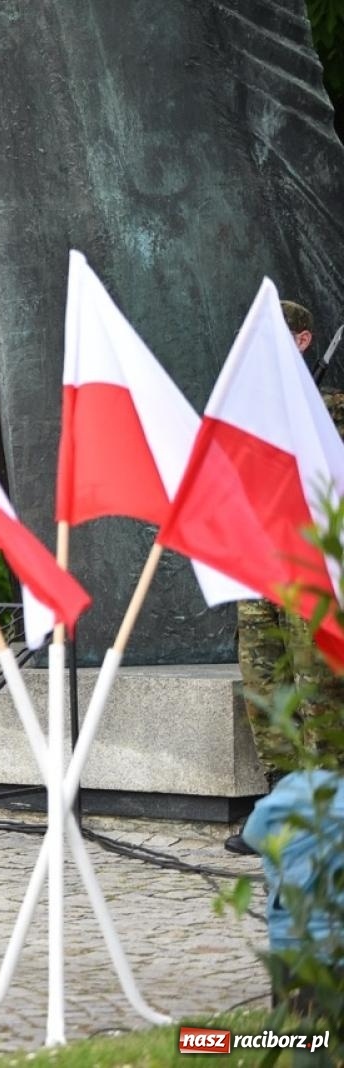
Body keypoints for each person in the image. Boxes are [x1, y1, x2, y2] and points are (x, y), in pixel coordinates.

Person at [229, 300, 344, 852]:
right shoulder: (248, 411)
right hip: (261, 562)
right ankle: (280, 805)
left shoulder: (332, 409)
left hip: (311, 564)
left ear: (302, 340)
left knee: (317, 685)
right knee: (264, 683)